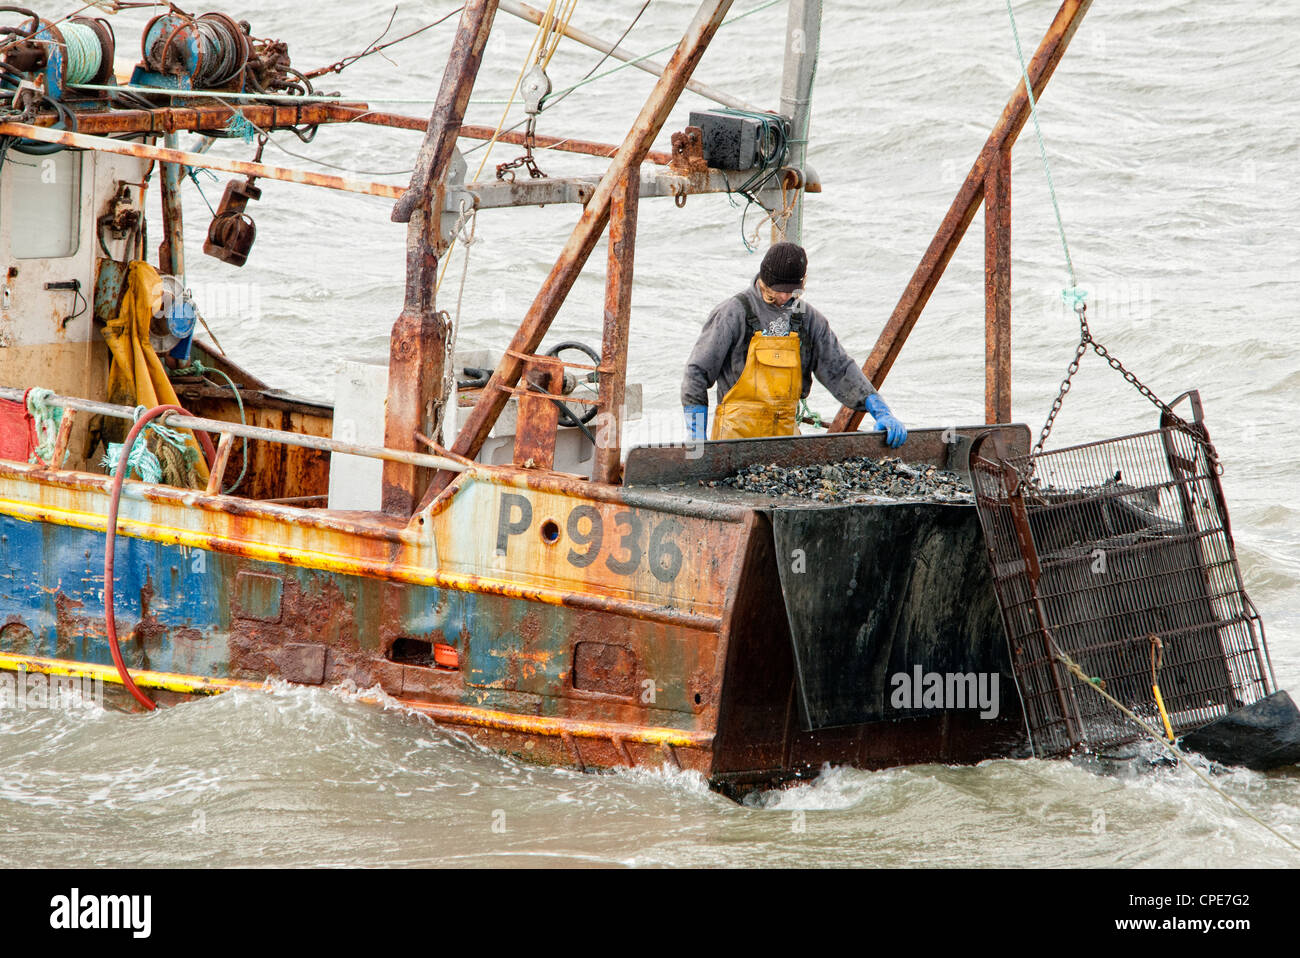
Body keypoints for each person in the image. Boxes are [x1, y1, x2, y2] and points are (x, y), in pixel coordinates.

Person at [681, 242, 907, 445]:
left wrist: (879, 408)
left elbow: (840, 369)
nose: (785, 298)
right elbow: (696, 373)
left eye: (793, 291)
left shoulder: (807, 318)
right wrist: (697, 437)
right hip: (734, 441)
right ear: (764, 281)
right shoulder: (734, 312)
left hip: (786, 441)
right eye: (778, 291)